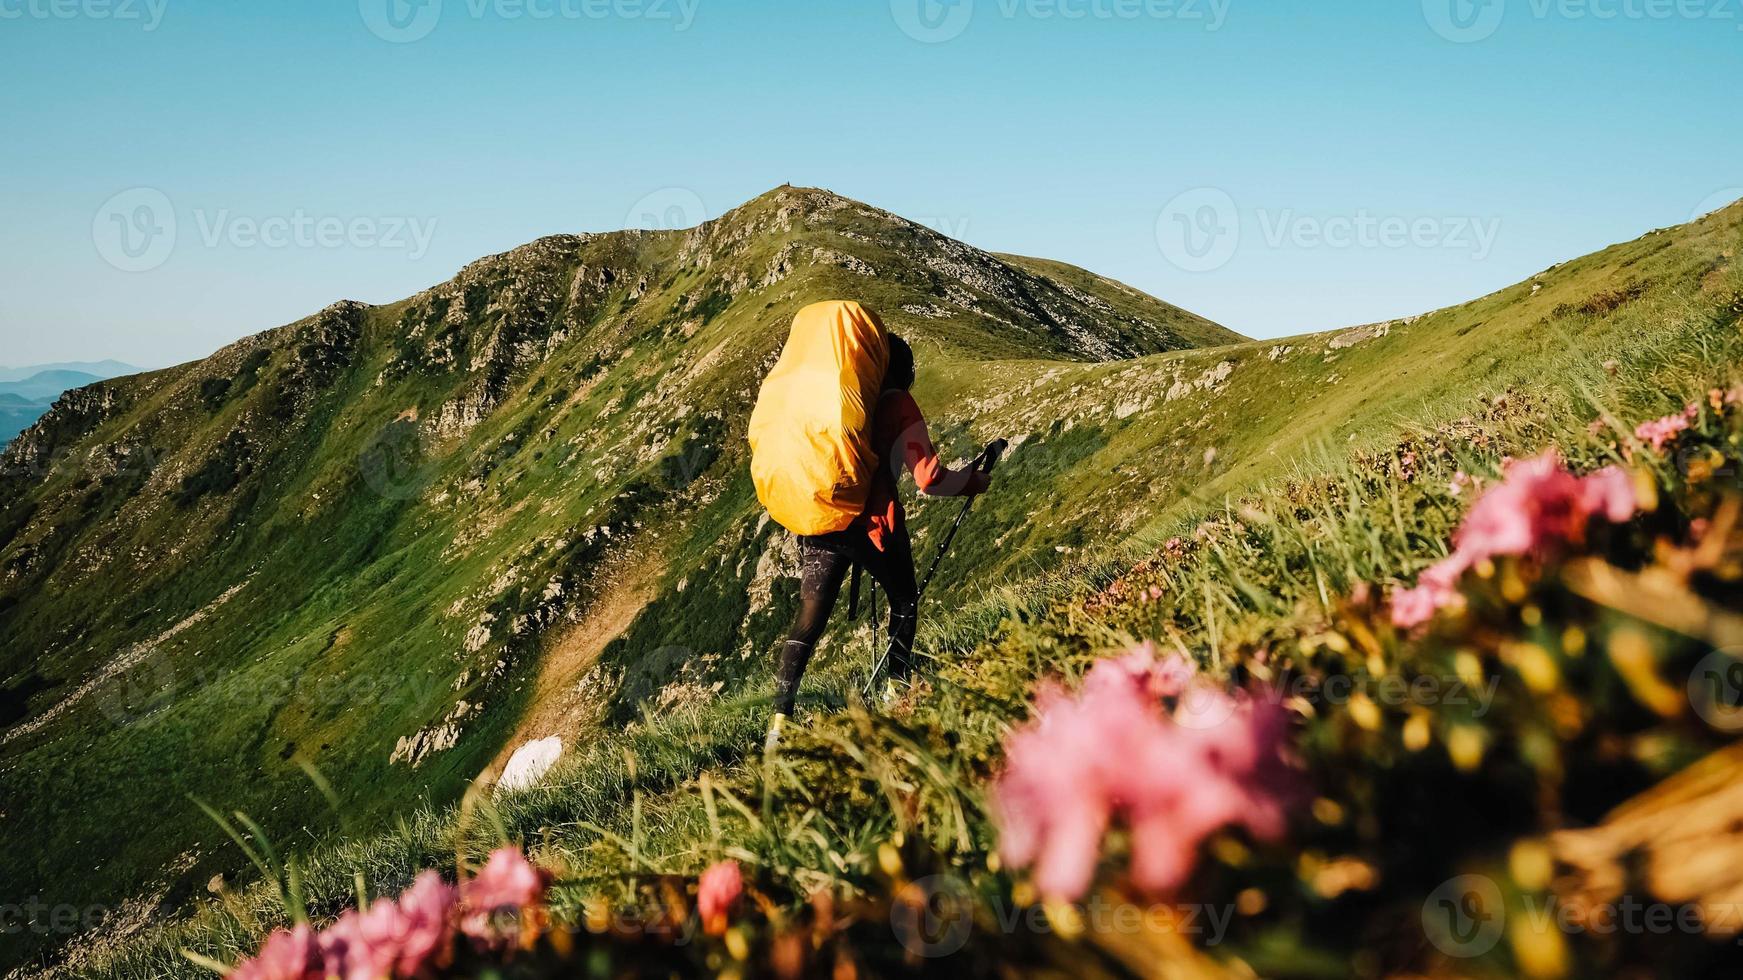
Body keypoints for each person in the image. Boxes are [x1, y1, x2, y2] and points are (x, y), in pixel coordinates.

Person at [771, 335, 990, 721]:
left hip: (824, 520)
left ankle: (779, 717)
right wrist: (973, 482)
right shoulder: (897, 403)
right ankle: (897, 691)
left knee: (809, 619)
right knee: (904, 601)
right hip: (873, 528)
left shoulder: (841, 401)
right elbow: (929, 479)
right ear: (903, 370)